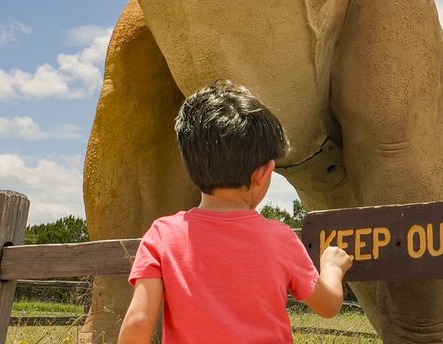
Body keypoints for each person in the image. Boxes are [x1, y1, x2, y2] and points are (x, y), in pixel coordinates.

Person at [117, 80, 353, 344]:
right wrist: (332, 267)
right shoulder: (279, 237)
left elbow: (138, 322)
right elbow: (328, 305)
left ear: (191, 163)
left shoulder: (162, 235)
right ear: (263, 173)